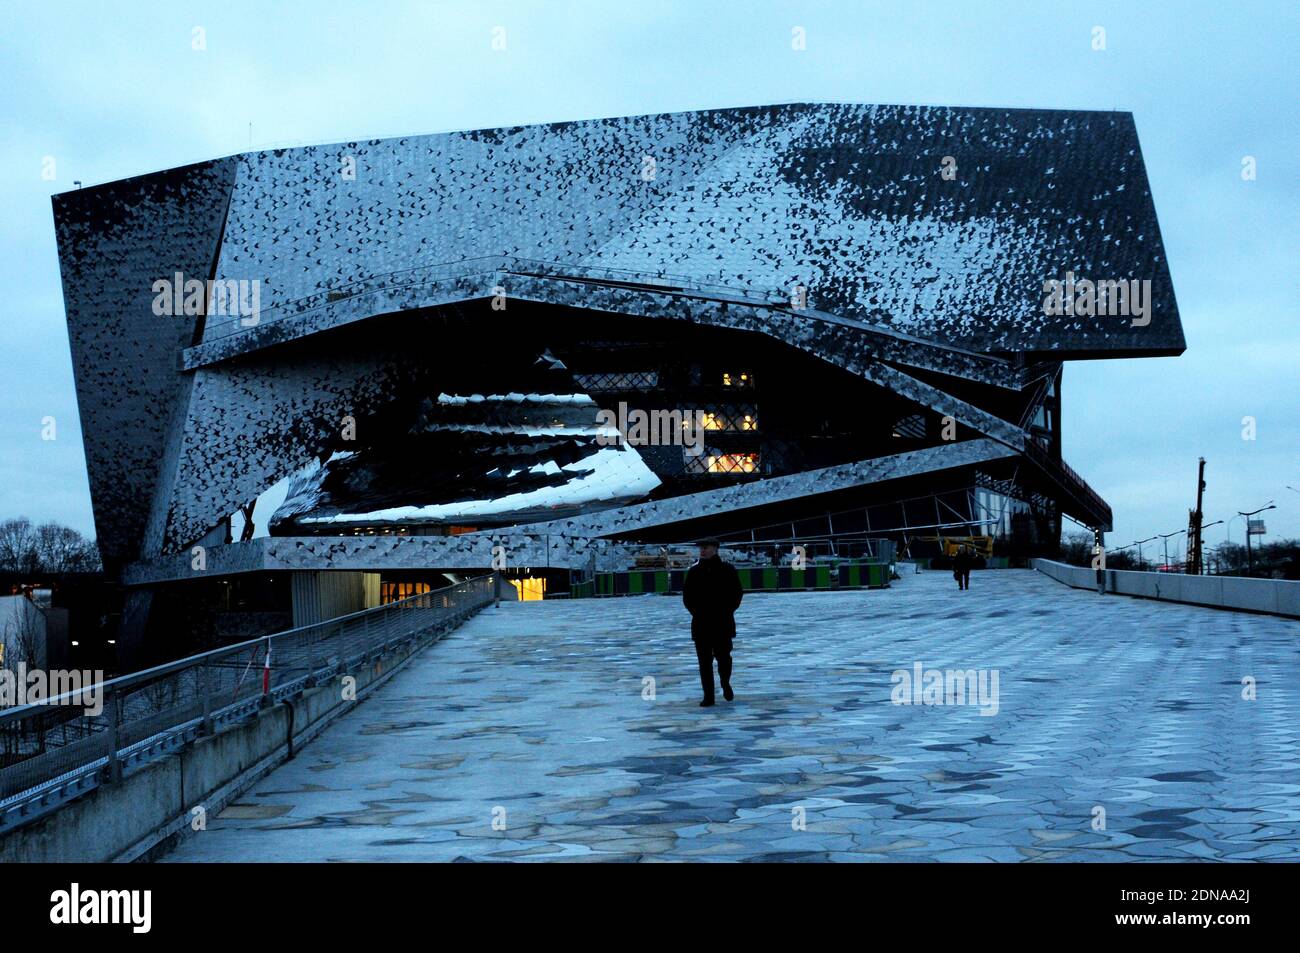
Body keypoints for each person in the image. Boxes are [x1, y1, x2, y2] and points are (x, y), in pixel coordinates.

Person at [682, 537, 743, 707]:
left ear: (715, 549)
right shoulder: (694, 572)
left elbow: (736, 594)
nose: (702, 550)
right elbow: (688, 597)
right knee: (704, 662)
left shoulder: (727, 569)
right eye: (701, 548)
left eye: (706, 547)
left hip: (722, 623)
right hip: (701, 624)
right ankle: (708, 696)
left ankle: (725, 683)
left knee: (724, 658)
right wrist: (698, 612)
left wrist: (726, 611)